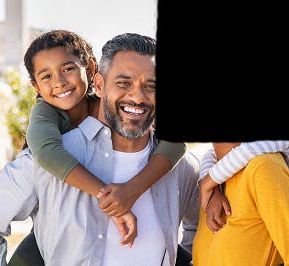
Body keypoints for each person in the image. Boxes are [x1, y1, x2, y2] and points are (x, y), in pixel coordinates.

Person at [0, 32, 200, 266]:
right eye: (123, 83)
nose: (137, 96)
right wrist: (107, 196)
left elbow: (202, 225)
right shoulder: (43, 159)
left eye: (151, 85)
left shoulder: (179, 167)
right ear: (99, 84)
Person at [24, 30, 187, 219]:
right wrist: (107, 196)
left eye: (68, 69)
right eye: (46, 76)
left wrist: (132, 190)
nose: (59, 82)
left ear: (90, 70)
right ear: (35, 86)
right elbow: (46, 152)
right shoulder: (46, 112)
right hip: (56, 220)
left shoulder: (109, 104)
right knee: (36, 243)